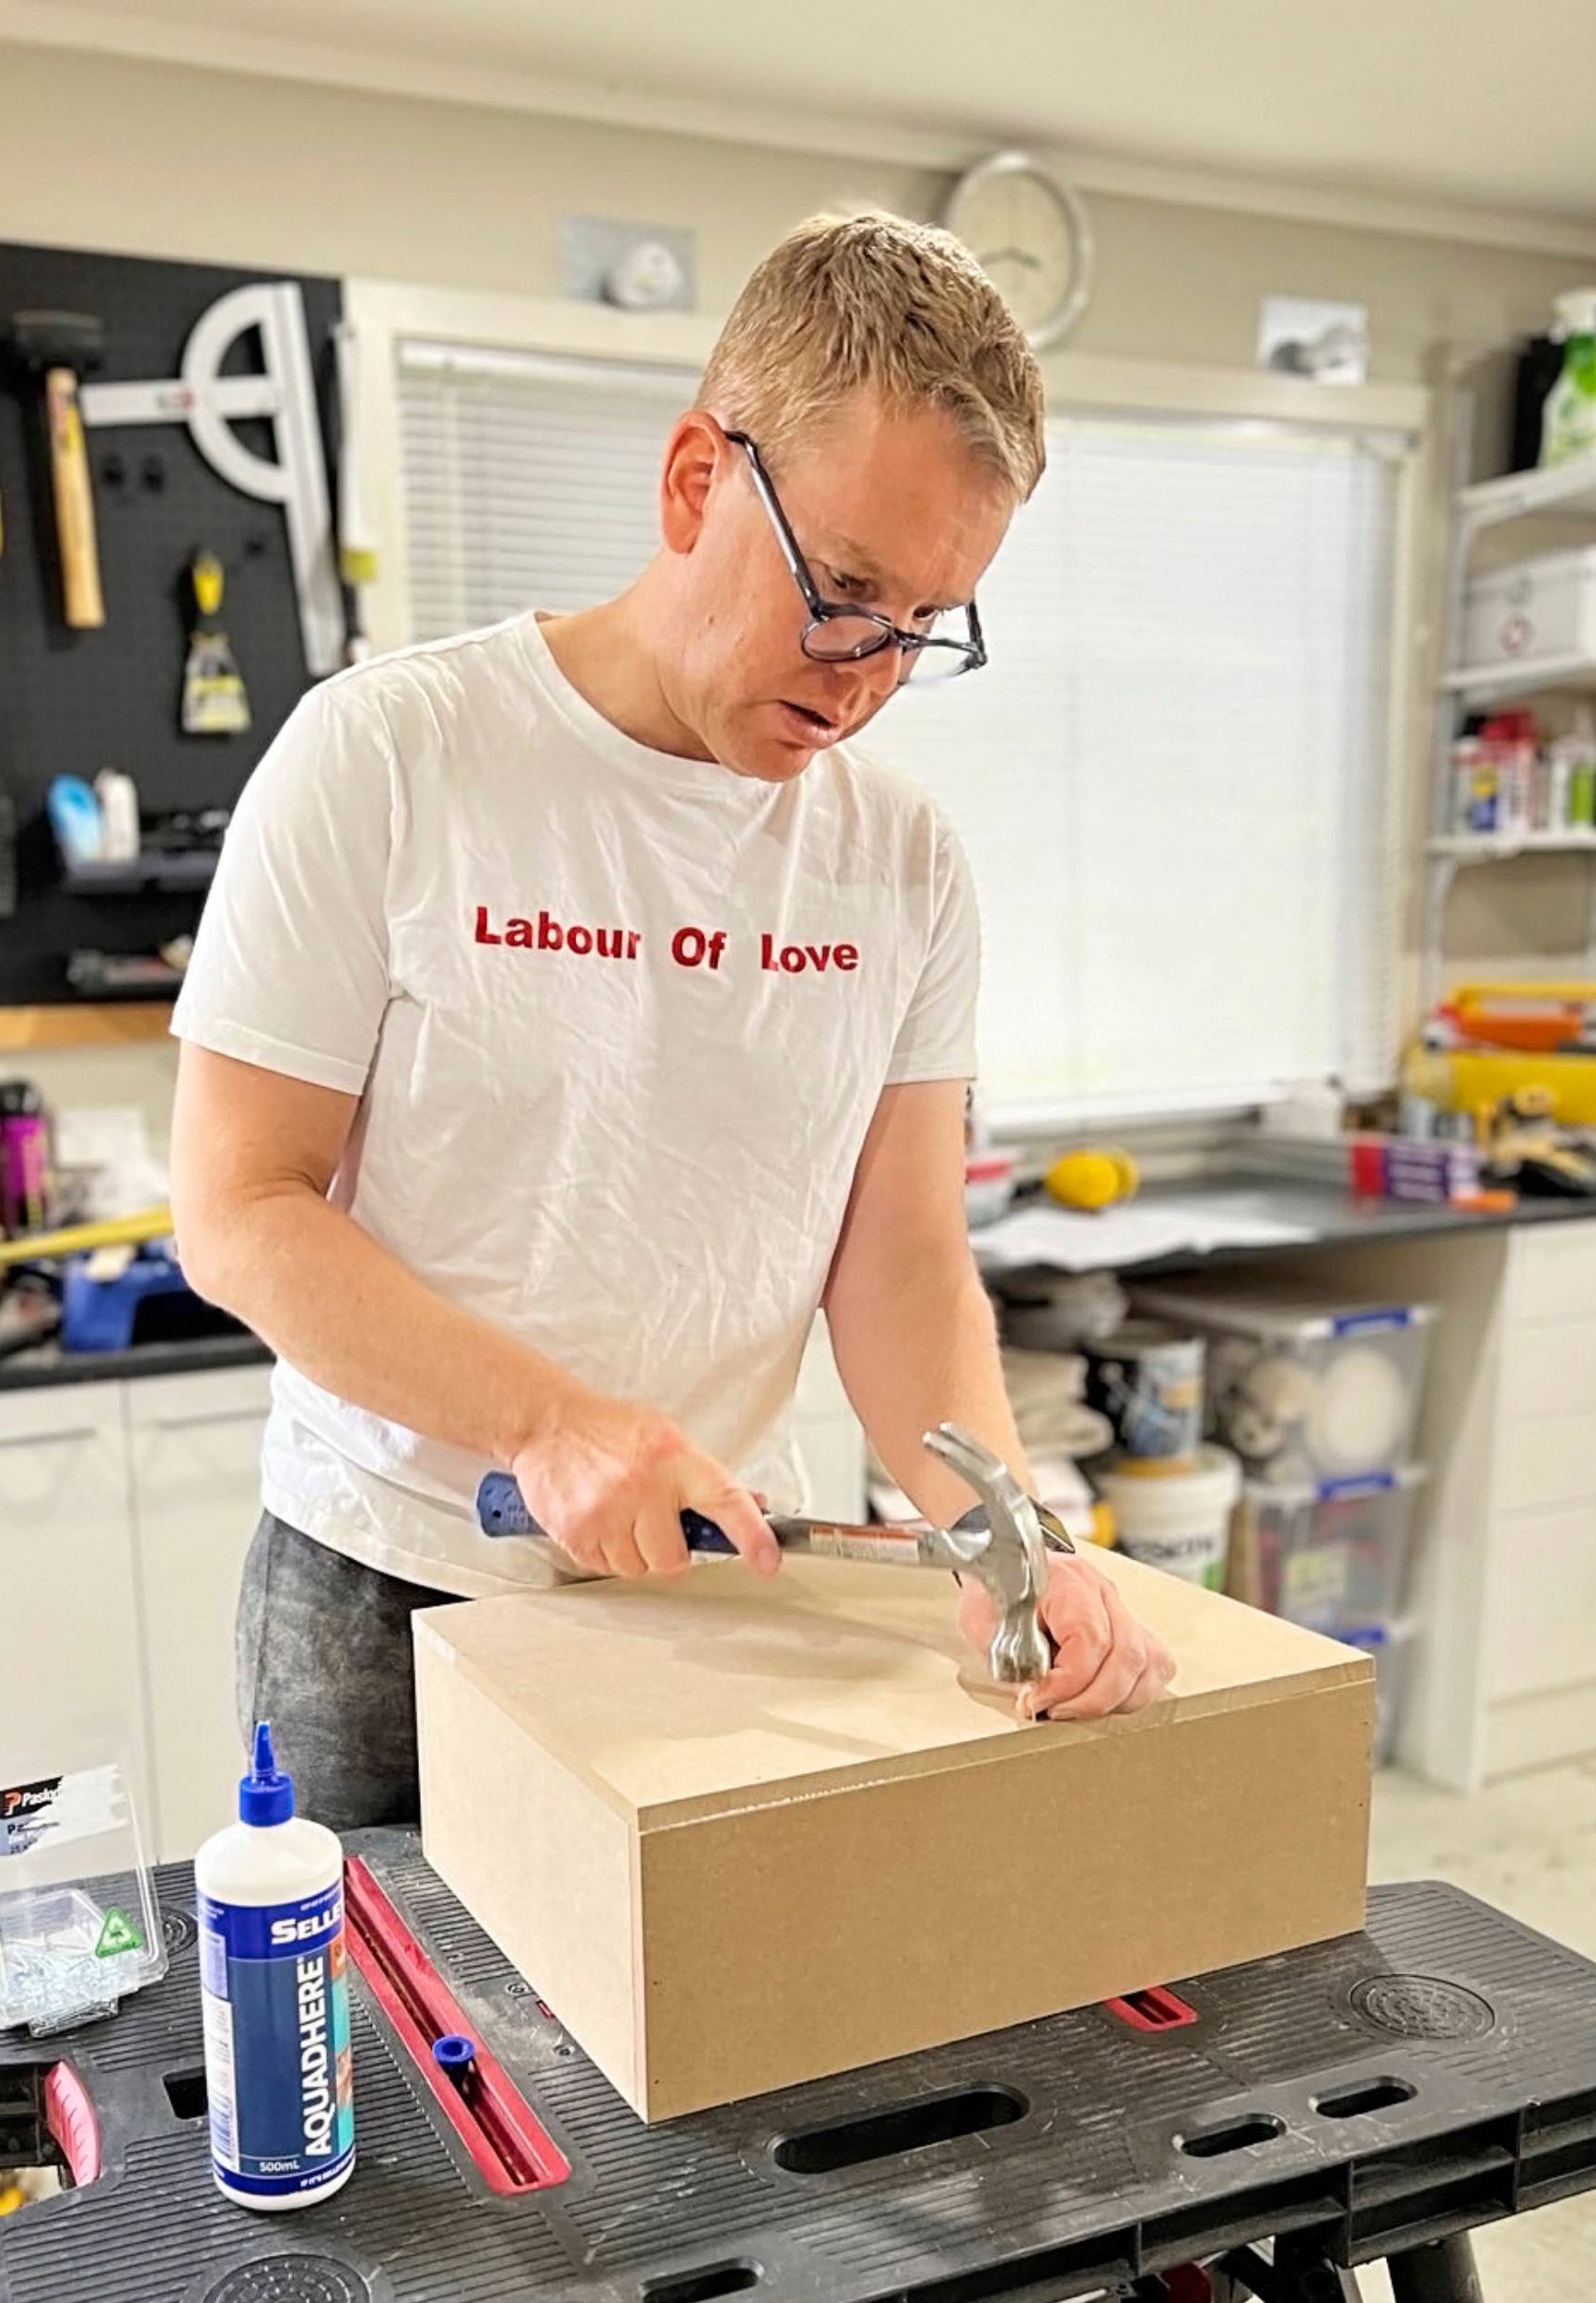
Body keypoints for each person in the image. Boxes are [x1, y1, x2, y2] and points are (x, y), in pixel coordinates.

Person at [169, 211, 1175, 1834]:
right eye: (845, 592)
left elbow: (903, 1261)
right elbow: (238, 1210)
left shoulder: (901, 860)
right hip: (393, 1588)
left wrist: (1017, 1542)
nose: (867, 677)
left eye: (927, 625)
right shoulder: (388, 755)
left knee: (697, 2078)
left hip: (727, 1583)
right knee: (385, 2070)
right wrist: (545, 1422)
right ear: (700, 480)